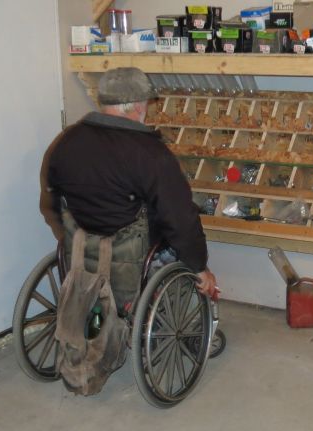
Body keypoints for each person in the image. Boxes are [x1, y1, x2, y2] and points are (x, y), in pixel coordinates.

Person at [40, 67, 217, 305]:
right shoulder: (151, 153)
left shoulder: (65, 142)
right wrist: (199, 265)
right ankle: (187, 330)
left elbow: (50, 202)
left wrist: (75, 235)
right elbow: (179, 217)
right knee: (185, 257)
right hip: (136, 256)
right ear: (138, 106)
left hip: (81, 249)